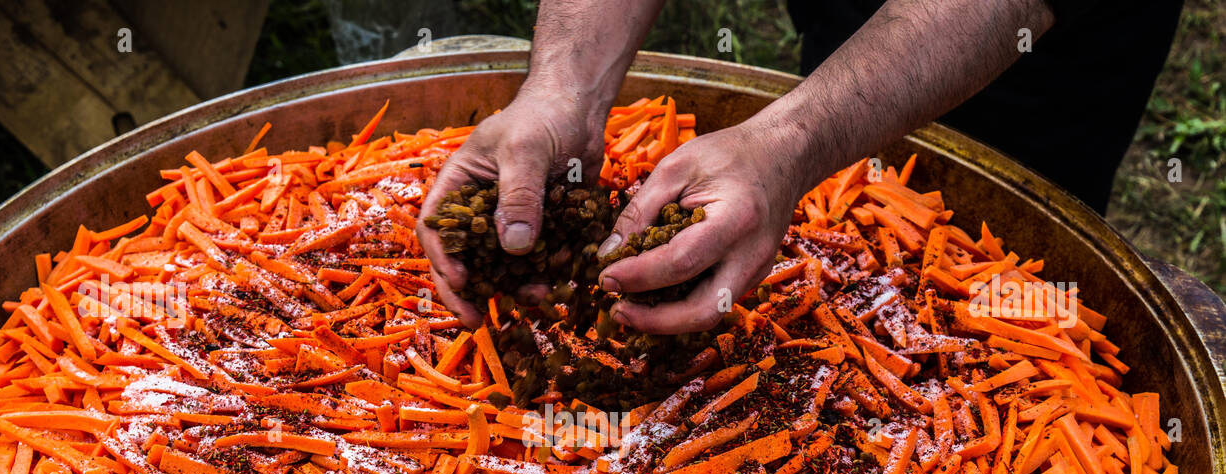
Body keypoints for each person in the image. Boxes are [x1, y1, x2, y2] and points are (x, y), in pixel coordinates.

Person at [416, 0, 1185, 334]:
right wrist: (565, 90)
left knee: (996, 219)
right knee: (843, 62)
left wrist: (790, 145)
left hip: (1029, 46)